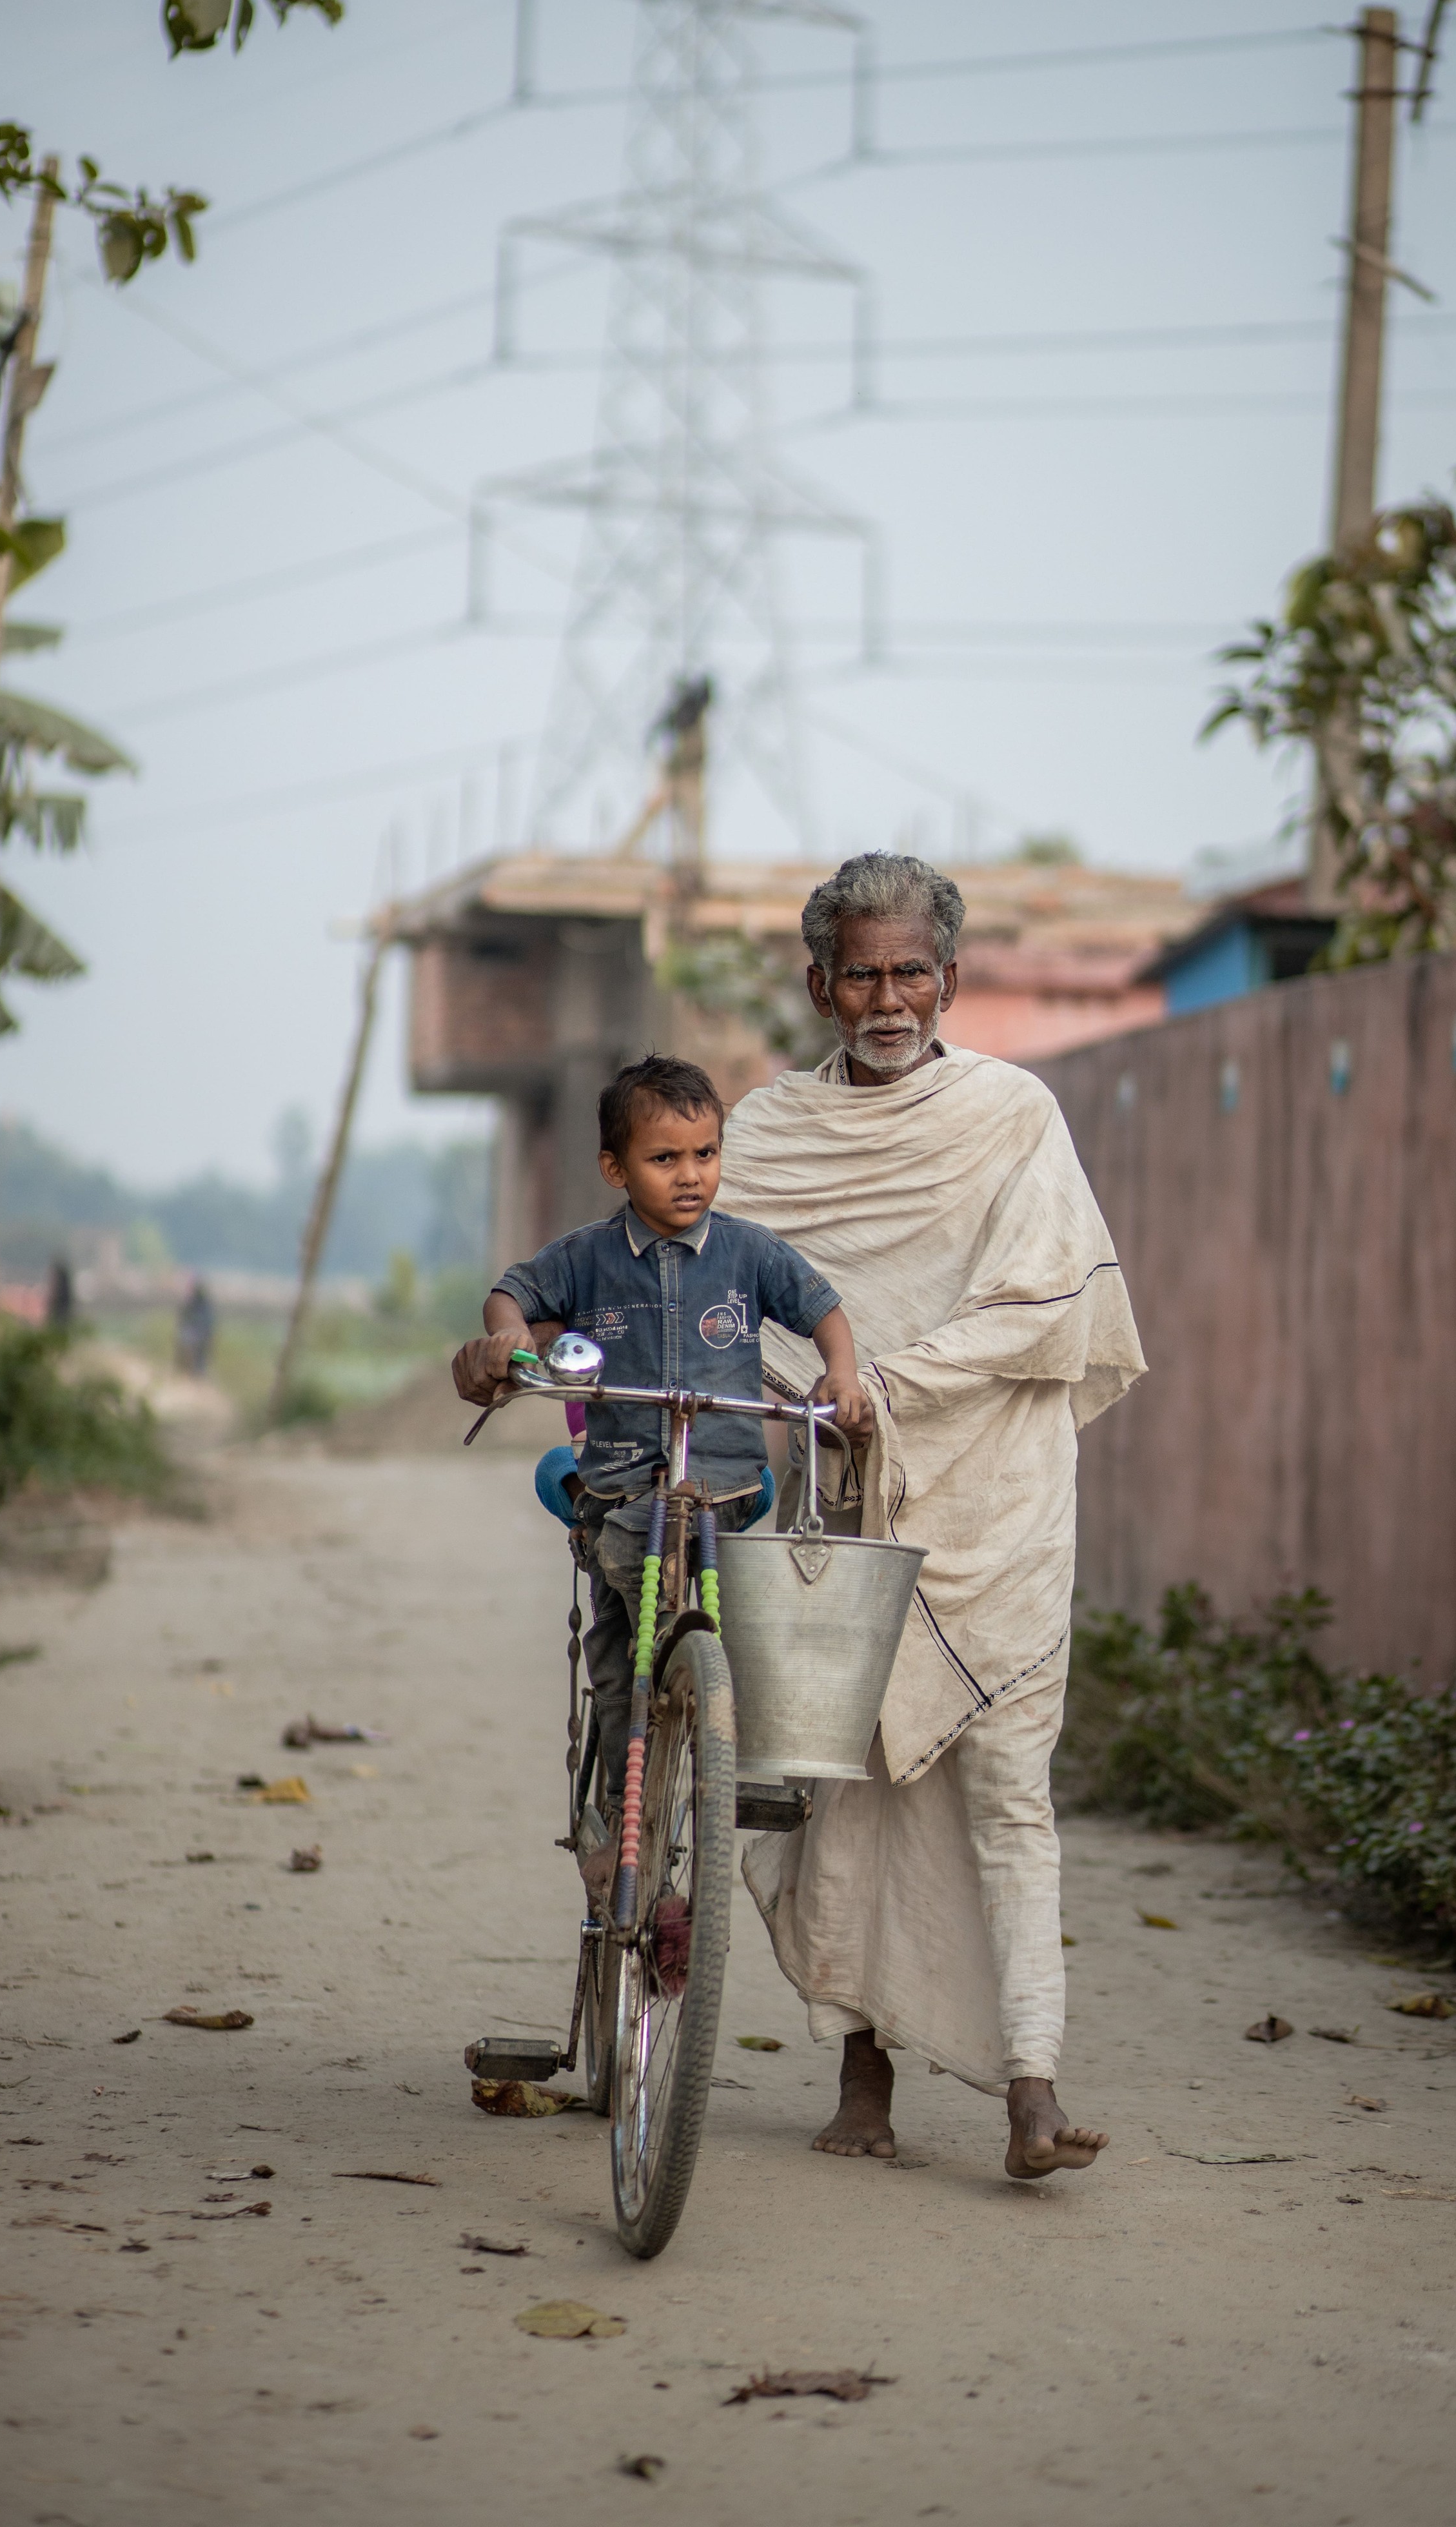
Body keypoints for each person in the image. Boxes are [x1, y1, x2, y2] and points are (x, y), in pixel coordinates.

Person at [717, 851, 1146, 2182]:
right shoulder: (766, 1131)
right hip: (838, 1493)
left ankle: (1031, 2080)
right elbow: (732, 1305)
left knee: (1010, 1786)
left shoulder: (1015, 1114)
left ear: (949, 978)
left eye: (912, 970)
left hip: (1000, 1496)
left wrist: (884, 1383)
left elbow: (1046, 1305)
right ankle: (862, 2068)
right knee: (840, 1780)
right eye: (863, 971)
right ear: (819, 983)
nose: (888, 995)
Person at [450, 1053, 871, 1903]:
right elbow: (513, 1292)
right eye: (664, 1159)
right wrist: (508, 1345)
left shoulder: (749, 1256)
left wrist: (842, 1373)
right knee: (616, 1653)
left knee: (750, 1615)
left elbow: (821, 1306)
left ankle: (719, 1742)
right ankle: (619, 1811)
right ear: (615, 1168)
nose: (690, 1176)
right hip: (620, 1486)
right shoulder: (588, 1259)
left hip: (725, 1482)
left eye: (704, 1155)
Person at [175, 1277, 215, 1377]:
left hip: (200, 1334)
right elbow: (183, 1318)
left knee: (199, 1357)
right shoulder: (193, 1302)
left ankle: (196, 1376)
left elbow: (207, 1321)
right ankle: (187, 1373)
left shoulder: (203, 1304)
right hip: (196, 1333)